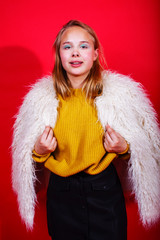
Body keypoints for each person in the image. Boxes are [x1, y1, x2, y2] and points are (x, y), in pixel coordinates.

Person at [12, 20, 160, 240]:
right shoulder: (39, 100)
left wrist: (124, 147)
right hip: (61, 196)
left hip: (104, 192)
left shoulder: (121, 96)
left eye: (83, 46)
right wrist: (38, 150)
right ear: (59, 55)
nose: (75, 53)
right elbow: (24, 154)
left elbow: (146, 148)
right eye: (67, 46)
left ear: (95, 54)